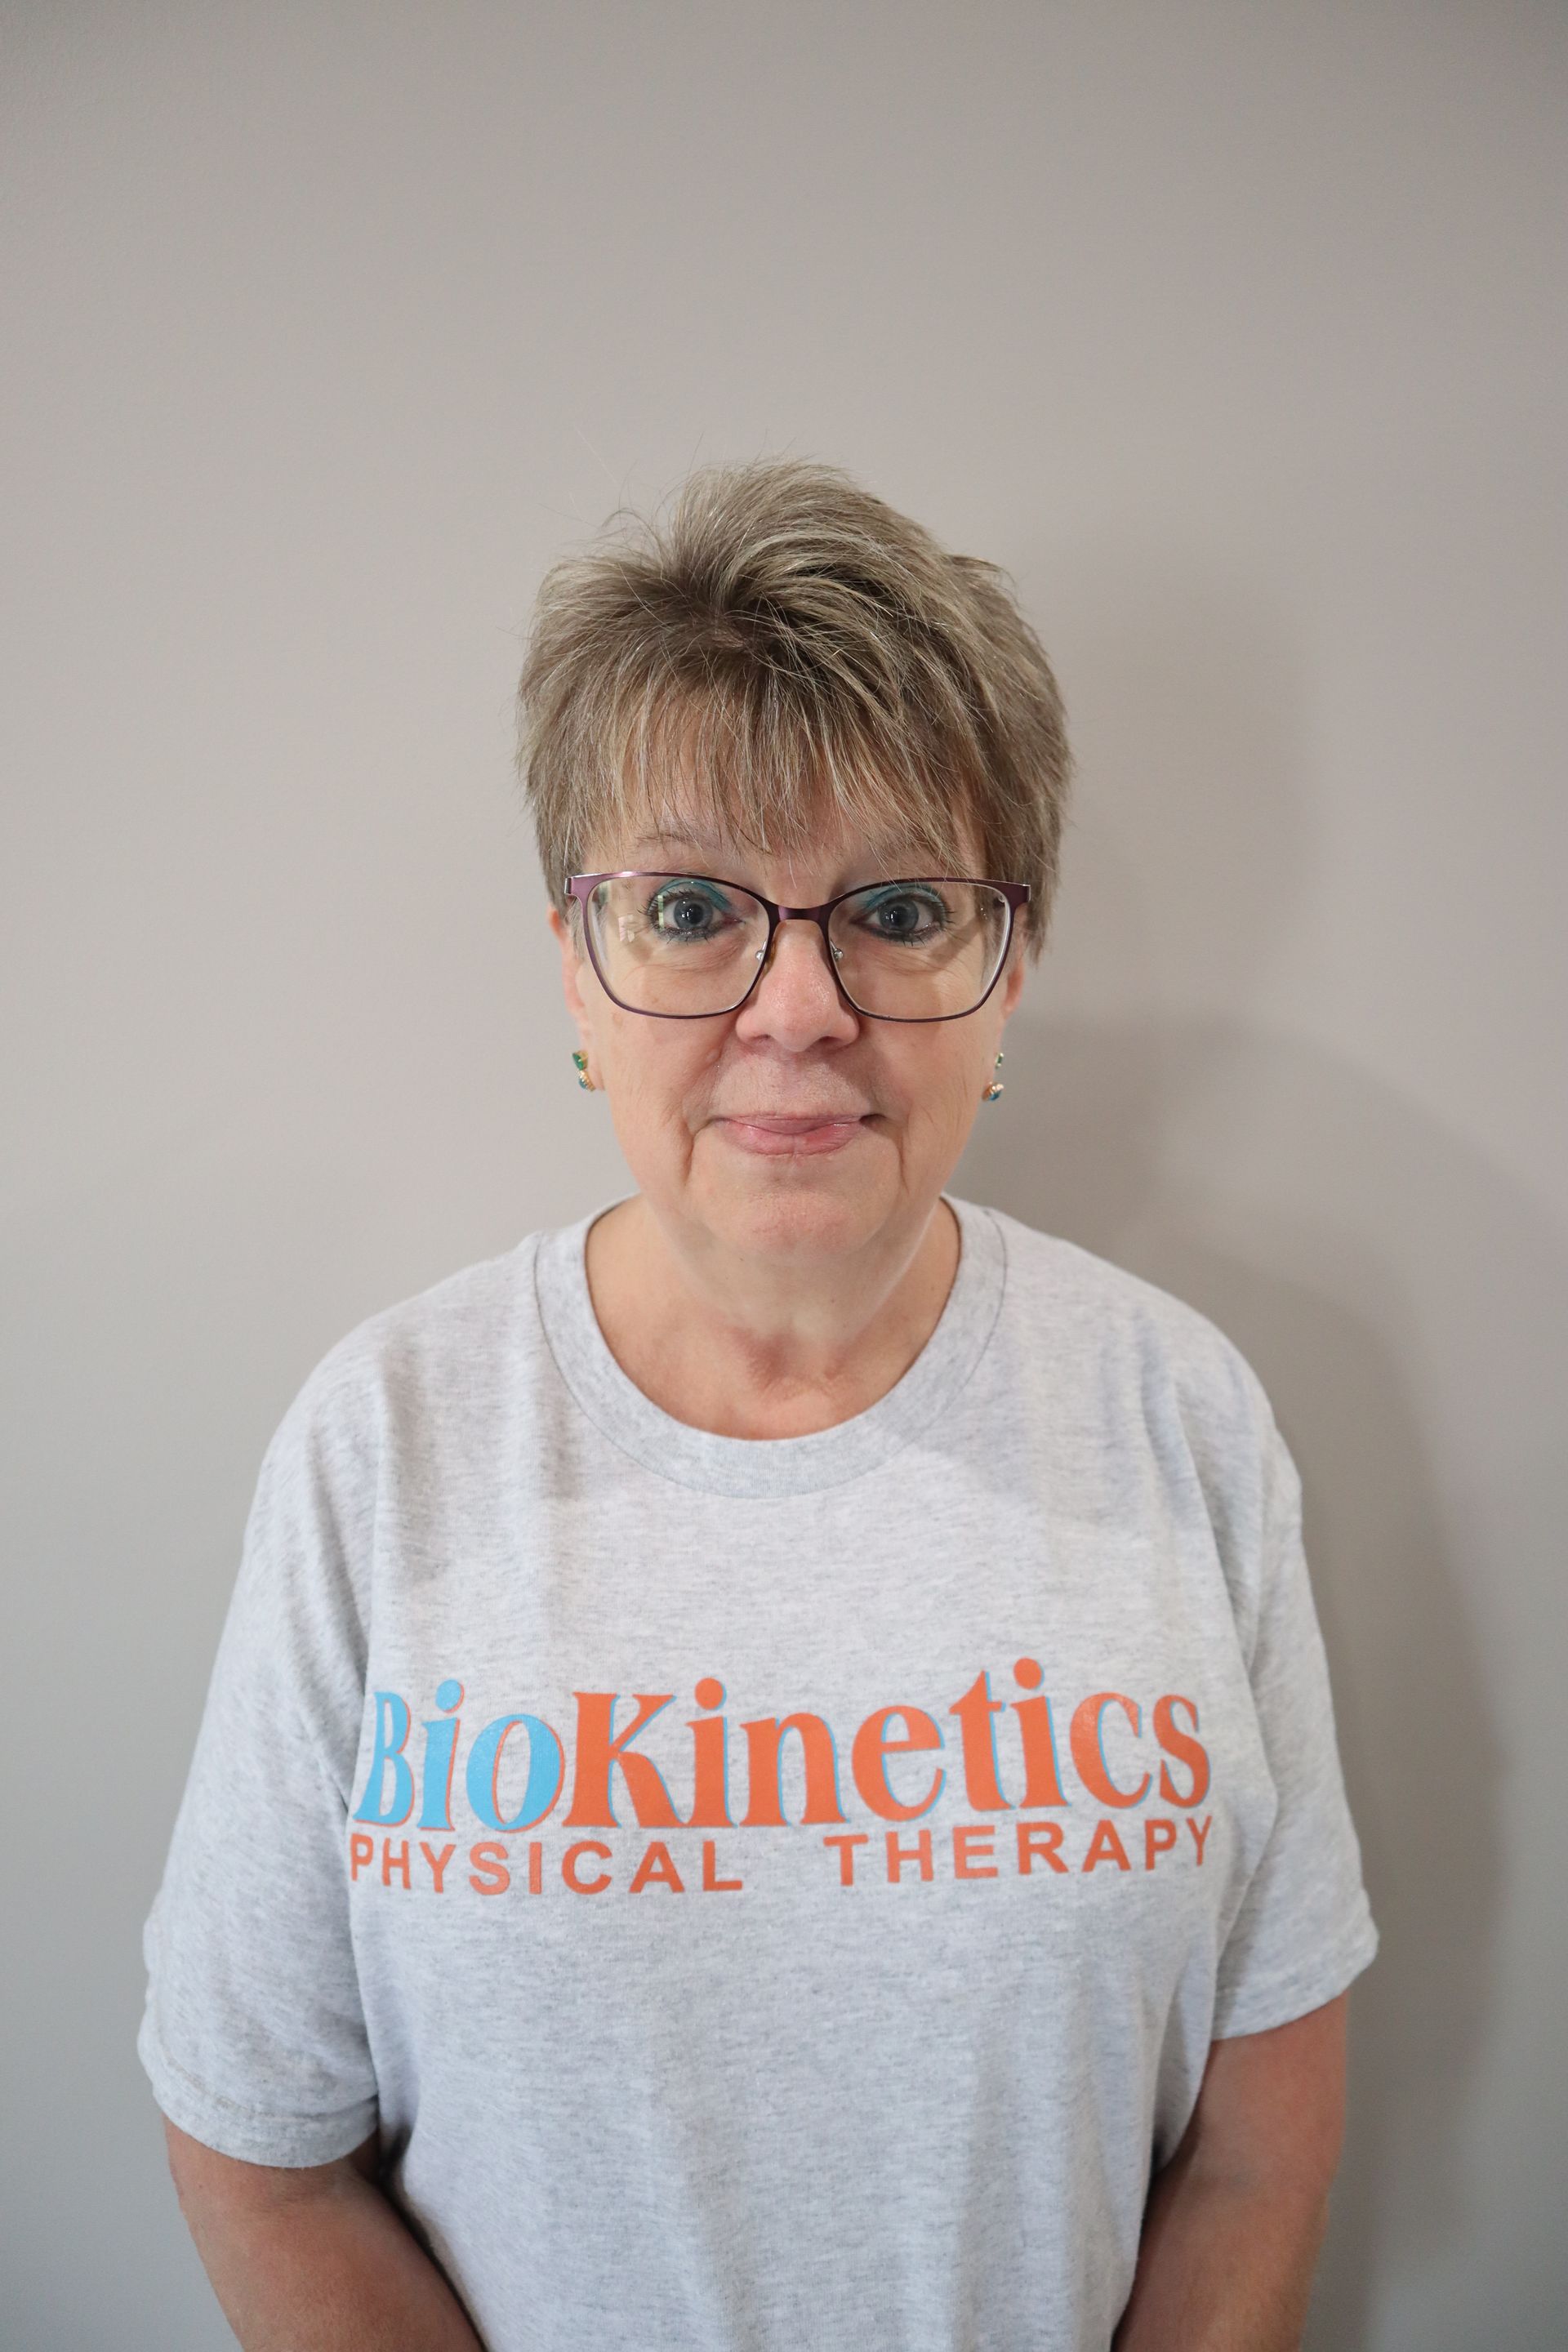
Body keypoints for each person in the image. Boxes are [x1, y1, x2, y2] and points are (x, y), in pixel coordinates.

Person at [140, 457, 1378, 2352]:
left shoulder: (1176, 1413)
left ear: (1010, 963)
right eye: (693, 907)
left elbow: (1260, 2153)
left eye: (895, 905)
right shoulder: (382, 1444)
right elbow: (259, 2152)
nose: (796, 1006)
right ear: (576, 959)